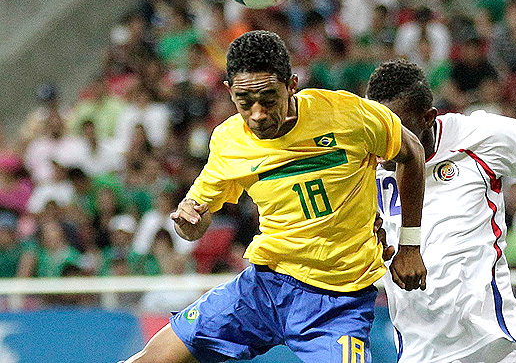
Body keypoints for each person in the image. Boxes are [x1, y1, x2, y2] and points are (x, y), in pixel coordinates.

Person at [119, 30, 427, 363]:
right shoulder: (229, 142)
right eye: (243, 101)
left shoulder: (347, 114)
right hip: (264, 288)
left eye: (268, 99)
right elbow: (194, 218)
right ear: (228, 92)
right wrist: (190, 222)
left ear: (292, 85)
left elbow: (412, 152)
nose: (257, 113)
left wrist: (411, 244)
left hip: (339, 302)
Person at [366, 61, 516, 363]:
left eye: (397, 129)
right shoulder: (362, 167)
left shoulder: (482, 136)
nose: (387, 142)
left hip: (497, 349)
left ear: (428, 118)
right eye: (378, 128)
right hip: (421, 353)